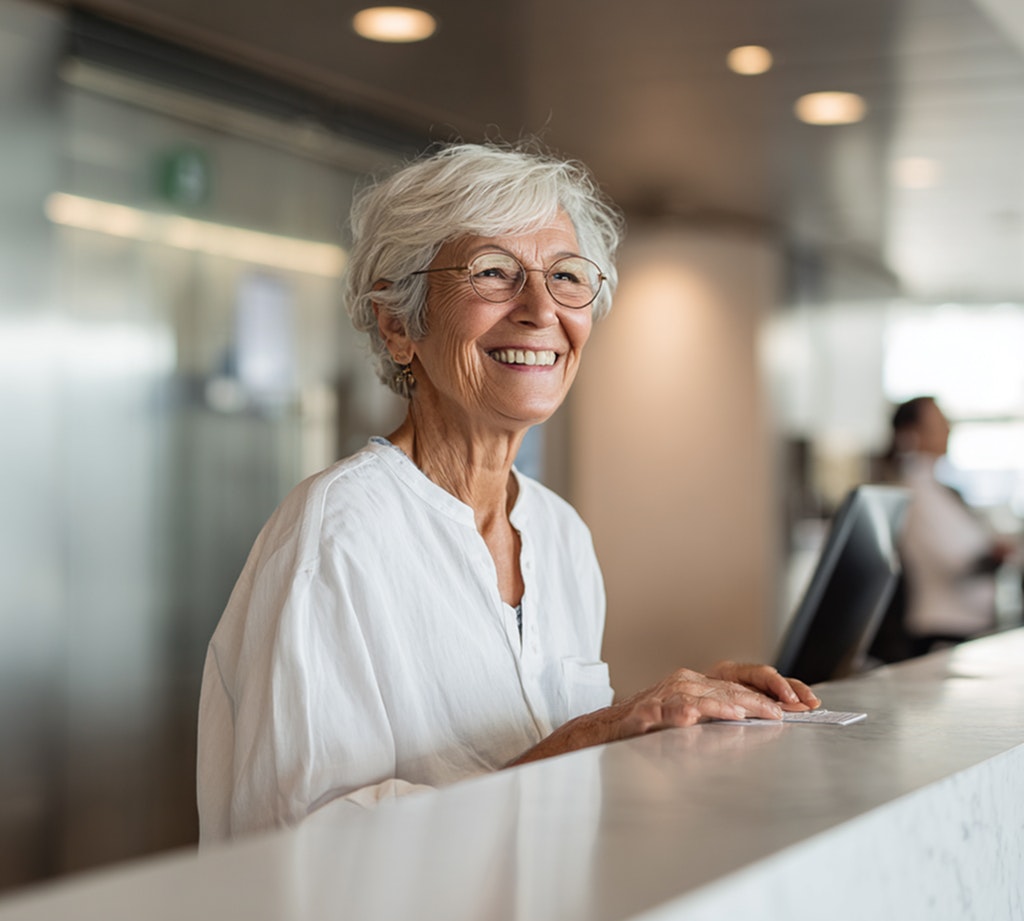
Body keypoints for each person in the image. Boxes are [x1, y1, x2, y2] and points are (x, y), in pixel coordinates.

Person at [196, 142, 820, 843]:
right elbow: (294, 845)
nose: (539, 309)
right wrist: (601, 731)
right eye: (493, 272)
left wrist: (679, 721)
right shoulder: (336, 534)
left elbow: (545, 761)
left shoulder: (560, 533)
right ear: (399, 324)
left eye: (565, 276)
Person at [885, 396, 1013, 654]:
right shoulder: (914, 493)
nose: (948, 429)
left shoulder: (941, 489)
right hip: (940, 627)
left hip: (968, 624)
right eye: (939, 423)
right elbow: (951, 559)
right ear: (911, 434)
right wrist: (992, 553)